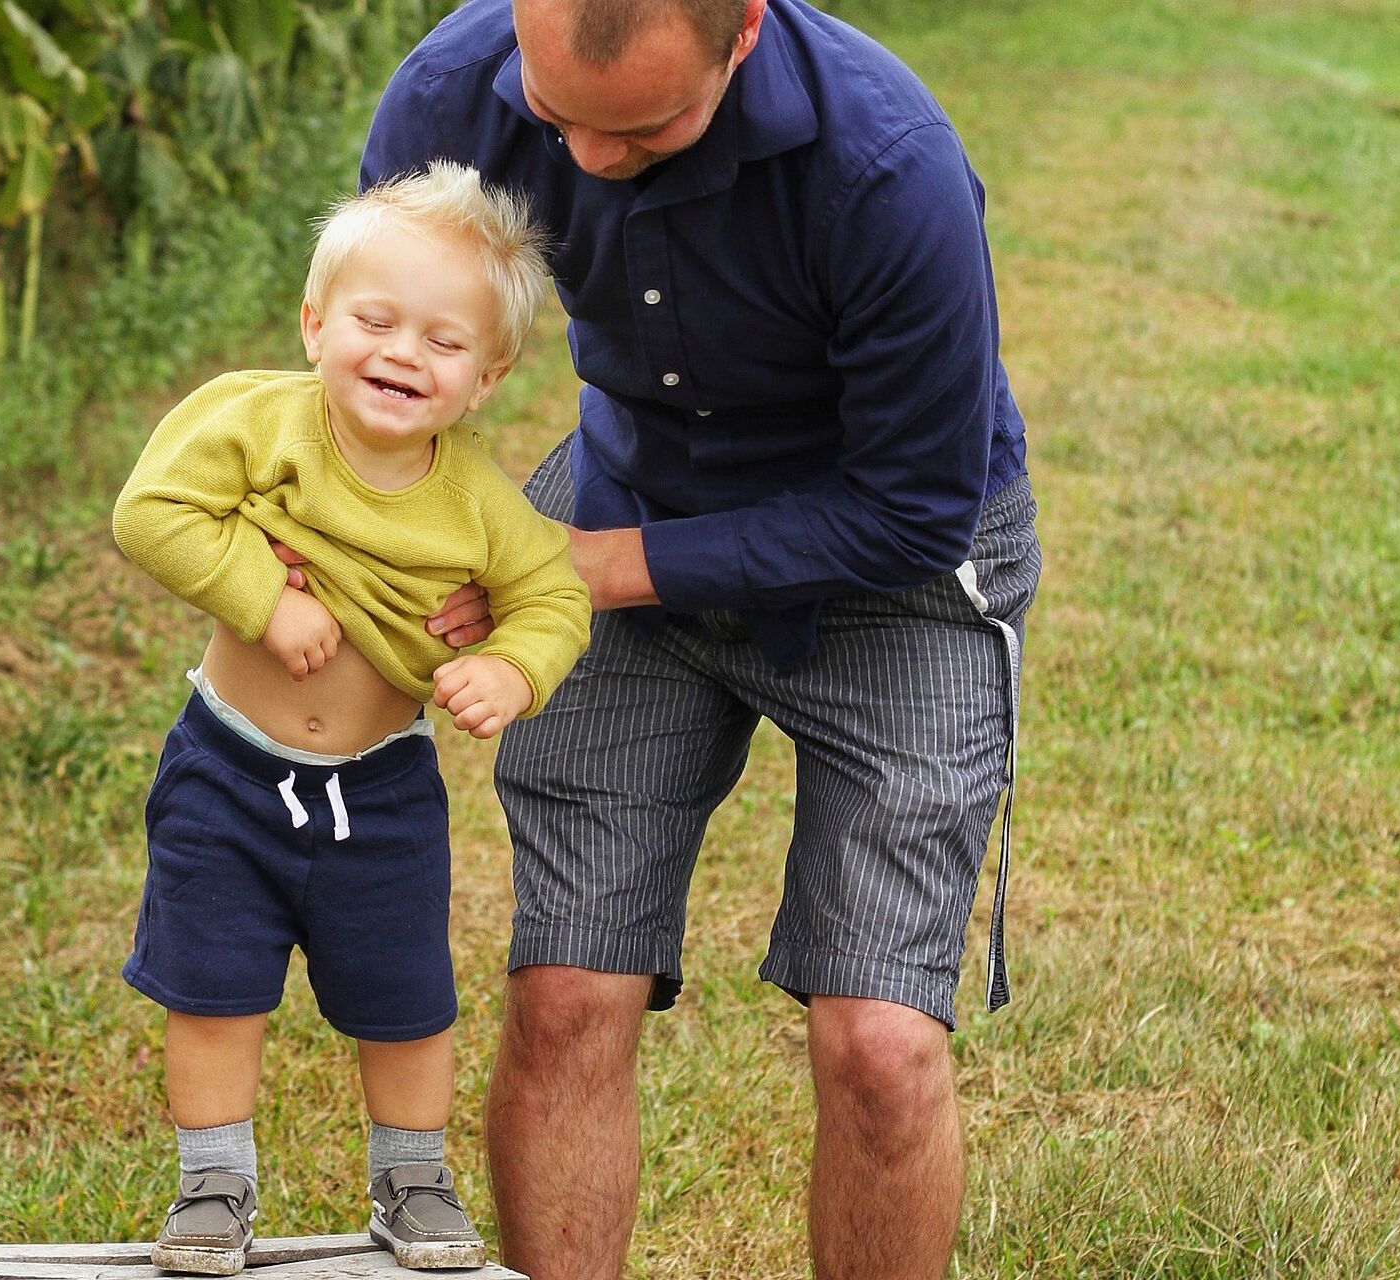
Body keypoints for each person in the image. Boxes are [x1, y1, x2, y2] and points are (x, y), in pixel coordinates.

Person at [362, 1, 1044, 1277]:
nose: (593, 163)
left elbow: (913, 508)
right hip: (633, 489)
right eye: (559, 121)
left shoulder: (888, 164)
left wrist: (591, 570)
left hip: (892, 561)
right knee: (565, 998)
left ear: (743, 27)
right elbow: (385, 364)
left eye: (646, 128)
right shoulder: (454, 96)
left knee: (881, 1048)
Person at [111, 161, 592, 1276]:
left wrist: (513, 672)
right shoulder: (260, 420)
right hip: (228, 770)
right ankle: (212, 1185)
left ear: (486, 377)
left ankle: (411, 1178)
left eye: (442, 340)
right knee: (212, 985)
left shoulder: (477, 496)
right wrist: (263, 595)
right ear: (316, 321)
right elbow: (152, 510)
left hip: (379, 790)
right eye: (375, 320)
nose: (401, 353)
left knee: (407, 997)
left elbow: (553, 594)